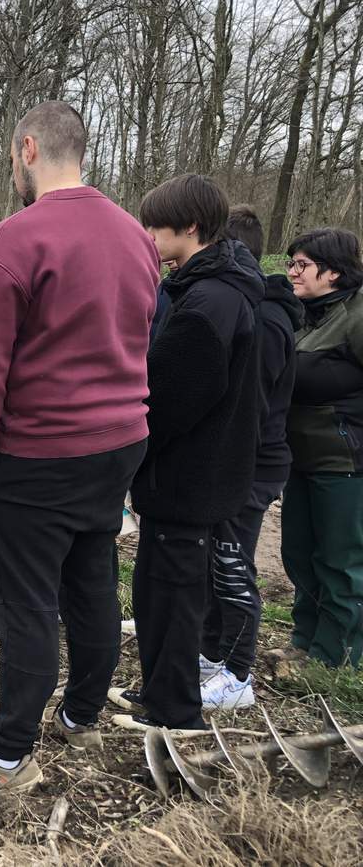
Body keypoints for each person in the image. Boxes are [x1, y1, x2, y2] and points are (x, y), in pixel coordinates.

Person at [0, 102, 158, 797]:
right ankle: (83, 711)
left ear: (27, 148)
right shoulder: (134, 234)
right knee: (90, 575)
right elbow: (142, 335)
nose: (12, 168)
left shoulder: (15, 240)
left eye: (11, 156)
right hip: (120, 442)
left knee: (25, 601)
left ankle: (8, 762)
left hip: (37, 453)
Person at [112, 174, 263, 737]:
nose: (148, 235)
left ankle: (175, 712)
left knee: (172, 595)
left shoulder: (210, 301)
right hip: (193, 474)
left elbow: (173, 399)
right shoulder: (206, 286)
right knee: (157, 587)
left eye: (155, 226)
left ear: (191, 228)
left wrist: (133, 451)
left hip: (188, 476)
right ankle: (159, 687)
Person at [199, 205, 301, 708]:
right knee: (215, 558)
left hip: (251, 464)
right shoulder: (248, 309)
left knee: (234, 563)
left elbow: (252, 409)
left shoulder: (264, 320)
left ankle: (238, 675)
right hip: (229, 461)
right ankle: (212, 652)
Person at [281, 227, 363, 669]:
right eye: (292, 262)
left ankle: (338, 656)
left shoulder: (356, 315)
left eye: (302, 264)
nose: (292, 271)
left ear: (333, 271)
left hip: (345, 460)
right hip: (301, 458)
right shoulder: (304, 314)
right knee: (298, 551)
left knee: (340, 558)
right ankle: (304, 638)